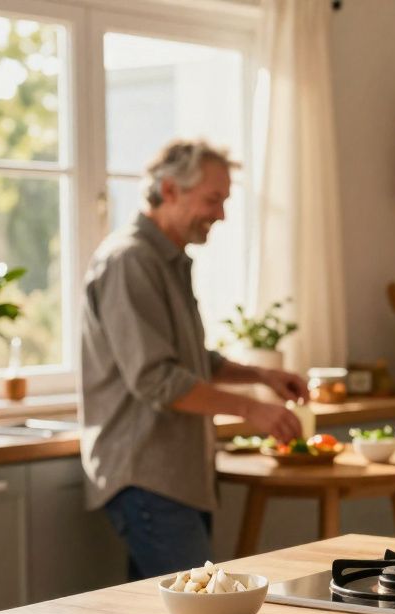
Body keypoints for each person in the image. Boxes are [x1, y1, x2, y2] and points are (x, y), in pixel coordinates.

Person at [79, 139, 308, 580]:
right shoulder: (130, 261)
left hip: (174, 476)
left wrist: (261, 375)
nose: (220, 214)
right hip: (146, 476)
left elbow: (190, 359)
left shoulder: (167, 260)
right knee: (209, 613)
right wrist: (252, 409)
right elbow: (157, 380)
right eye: (212, 199)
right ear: (169, 190)